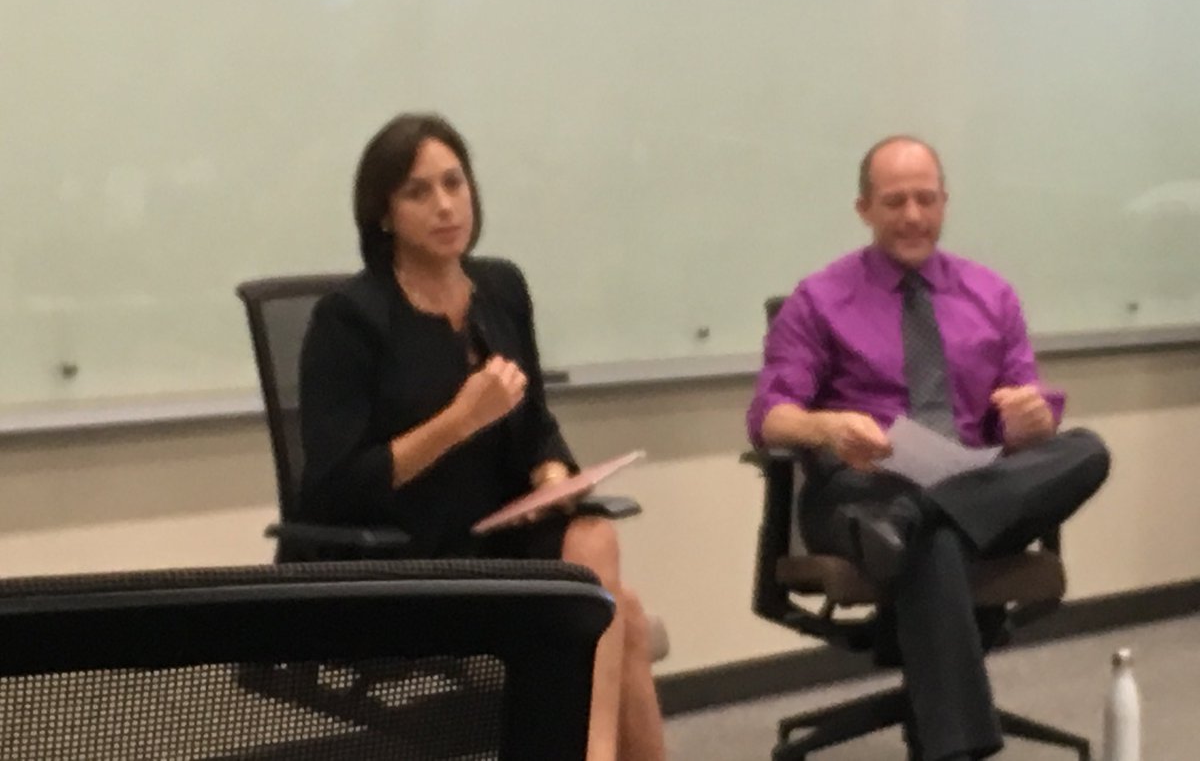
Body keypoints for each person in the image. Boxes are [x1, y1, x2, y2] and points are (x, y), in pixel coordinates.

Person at [299, 112, 666, 761]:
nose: (445, 205)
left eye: (454, 183)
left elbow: (535, 426)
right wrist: (458, 421)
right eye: (418, 192)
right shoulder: (349, 319)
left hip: (499, 537)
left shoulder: (500, 288)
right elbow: (333, 489)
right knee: (623, 614)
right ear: (383, 213)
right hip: (403, 560)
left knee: (595, 546)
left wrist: (553, 478)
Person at [747, 135, 1110, 761]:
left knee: (1087, 449)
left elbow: (1025, 407)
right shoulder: (820, 299)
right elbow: (769, 419)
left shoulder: (991, 295)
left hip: (965, 488)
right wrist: (826, 428)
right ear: (864, 209)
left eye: (925, 199)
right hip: (865, 489)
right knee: (933, 538)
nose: (912, 215)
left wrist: (1029, 423)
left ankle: (920, 517)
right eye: (893, 202)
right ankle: (958, 749)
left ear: (945, 202)